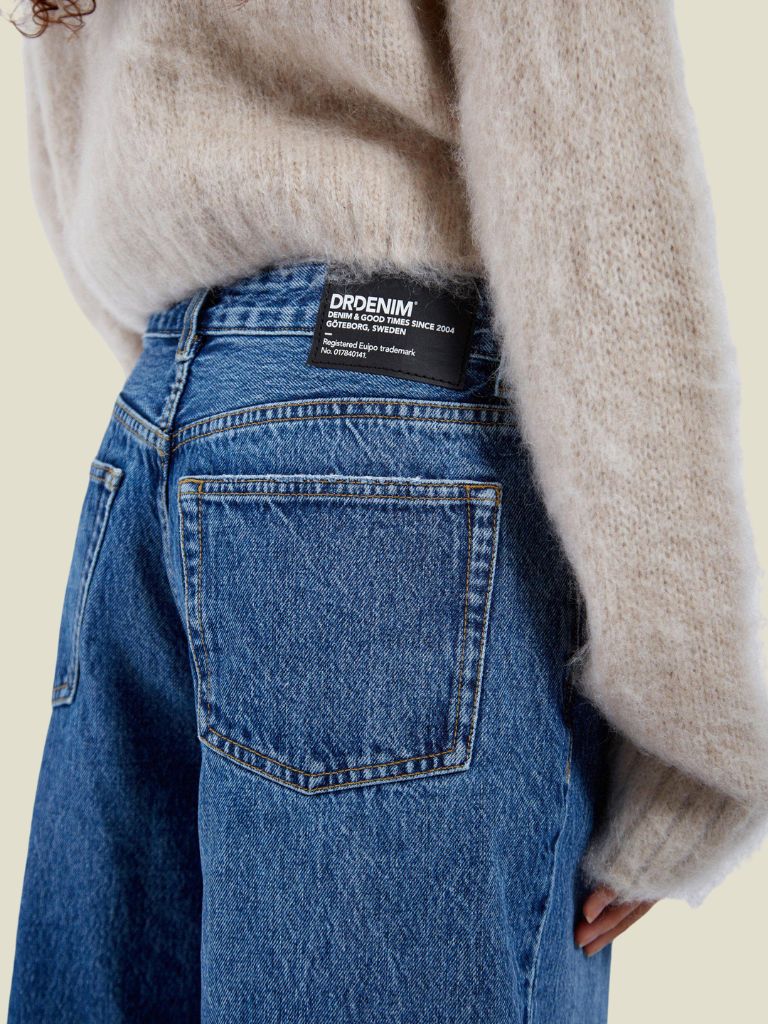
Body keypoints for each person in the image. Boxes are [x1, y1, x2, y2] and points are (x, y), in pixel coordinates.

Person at [7, 3, 768, 1022]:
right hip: (396, 450)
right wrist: (690, 715)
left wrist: (242, 410)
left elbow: (72, 143)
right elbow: (587, 156)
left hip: (165, 436)